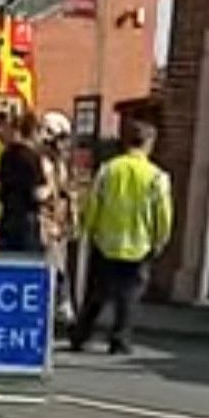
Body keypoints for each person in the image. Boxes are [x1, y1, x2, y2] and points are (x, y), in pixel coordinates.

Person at [69, 120, 173, 355]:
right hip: (138, 245)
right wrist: (160, 239)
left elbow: (94, 203)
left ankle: (80, 335)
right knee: (128, 297)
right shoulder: (157, 177)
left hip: (106, 242)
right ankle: (120, 340)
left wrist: (88, 229)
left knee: (96, 294)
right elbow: (163, 213)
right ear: (149, 144)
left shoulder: (108, 170)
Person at [39, 111, 80, 325]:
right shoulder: (41, 162)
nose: (65, 146)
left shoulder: (59, 164)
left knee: (59, 267)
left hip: (56, 226)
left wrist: (71, 217)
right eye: (61, 139)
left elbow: (64, 191)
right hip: (44, 225)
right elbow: (44, 193)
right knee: (52, 268)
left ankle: (61, 305)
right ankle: (59, 306)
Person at [0, 111, 46, 252]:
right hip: (26, 221)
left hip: (7, 218)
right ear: (32, 131)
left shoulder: (5, 155)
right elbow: (39, 193)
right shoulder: (32, 157)